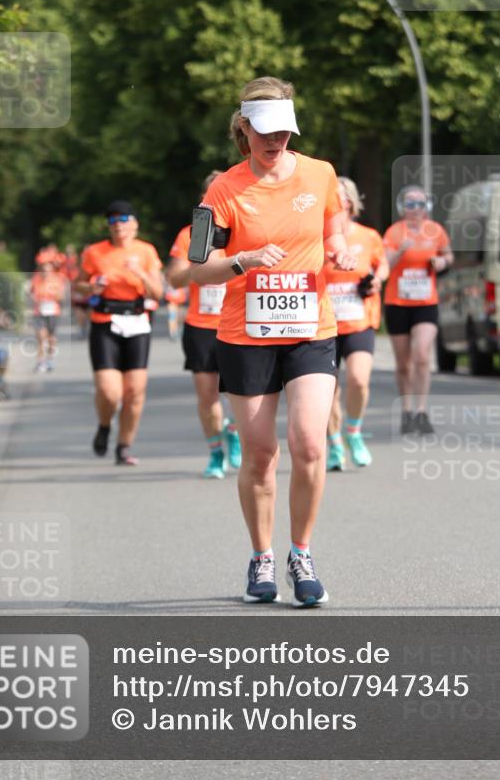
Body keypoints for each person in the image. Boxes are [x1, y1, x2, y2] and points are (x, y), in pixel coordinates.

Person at [190, 76, 356, 607]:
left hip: (311, 327)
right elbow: (196, 268)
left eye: (284, 131)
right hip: (246, 334)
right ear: (243, 128)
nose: (275, 141)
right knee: (261, 453)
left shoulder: (321, 173)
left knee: (310, 443)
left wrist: (340, 252)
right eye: (264, 131)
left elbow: (333, 230)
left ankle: (300, 554)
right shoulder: (223, 191)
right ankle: (261, 557)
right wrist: (241, 259)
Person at [166, 171, 242, 480]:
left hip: (237, 322)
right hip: (201, 326)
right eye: (212, 196)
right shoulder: (191, 234)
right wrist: (195, 270)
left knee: (239, 393)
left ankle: (234, 432)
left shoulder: (244, 228)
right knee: (208, 395)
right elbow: (174, 279)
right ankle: (215, 452)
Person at [76, 200, 163, 466]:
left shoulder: (146, 252)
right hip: (105, 322)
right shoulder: (95, 252)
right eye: (113, 221)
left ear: (135, 223)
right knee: (110, 391)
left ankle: (124, 446)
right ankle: (104, 425)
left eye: (124, 219)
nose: (118, 225)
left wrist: (139, 272)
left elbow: (158, 293)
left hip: (137, 322)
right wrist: (91, 287)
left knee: (135, 390)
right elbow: (78, 284)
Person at [324, 177, 389, 471]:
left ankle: (353, 430)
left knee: (360, 381)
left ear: (350, 202)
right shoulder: (318, 236)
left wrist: (378, 279)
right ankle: (335, 444)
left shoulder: (368, 236)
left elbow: (382, 264)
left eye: (340, 198)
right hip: (323, 323)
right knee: (327, 392)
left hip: (359, 320)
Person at [383, 184, 453, 435]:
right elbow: (384, 267)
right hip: (398, 303)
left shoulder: (435, 231)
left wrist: (440, 261)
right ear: (403, 208)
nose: (415, 209)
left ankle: (422, 410)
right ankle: (406, 410)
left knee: (422, 354)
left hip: (425, 303)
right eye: (410, 204)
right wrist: (401, 251)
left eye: (420, 204)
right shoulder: (394, 233)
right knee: (404, 363)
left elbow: (448, 256)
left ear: (427, 208)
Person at [30, 258, 67, 372]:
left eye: (48, 270)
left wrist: (52, 296)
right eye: (44, 270)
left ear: (52, 271)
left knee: (51, 338)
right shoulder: (36, 279)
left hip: (52, 311)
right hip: (39, 311)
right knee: (41, 337)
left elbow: (61, 296)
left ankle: (50, 359)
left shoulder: (57, 280)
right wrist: (35, 299)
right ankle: (40, 361)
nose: (45, 272)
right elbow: (31, 293)